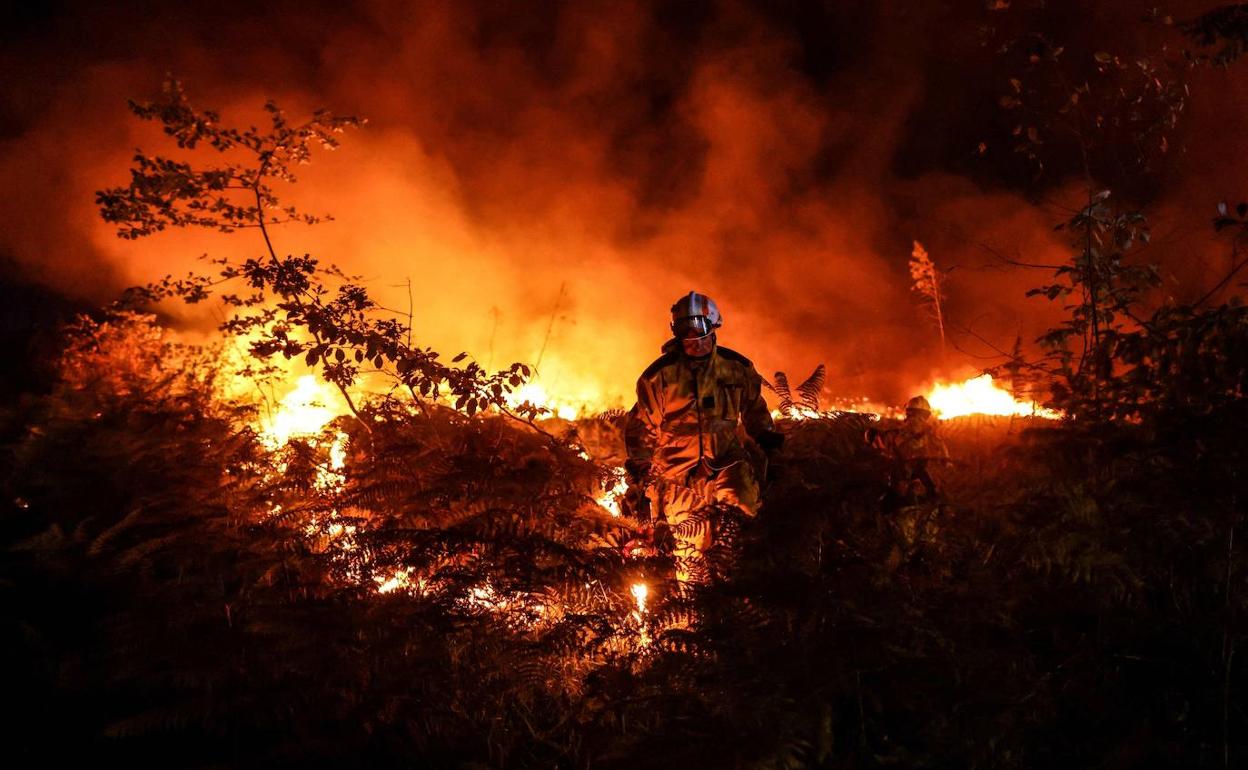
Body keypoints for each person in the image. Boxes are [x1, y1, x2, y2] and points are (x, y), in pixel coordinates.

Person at [623, 291, 784, 585]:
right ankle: (696, 614)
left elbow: (755, 411)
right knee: (691, 552)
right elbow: (641, 429)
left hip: (727, 464)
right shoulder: (659, 377)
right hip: (677, 473)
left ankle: (740, 603)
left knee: (740, 527)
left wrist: (768, 443)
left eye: (698, 326)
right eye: (684, 328)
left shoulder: (737, 369)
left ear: (713, 325)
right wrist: (641, 474)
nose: (692, 335)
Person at [870, 395, 948, 505]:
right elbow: (945, 460)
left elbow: (884, 449)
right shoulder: (933, 433)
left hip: (908, 484)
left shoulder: (898, 431)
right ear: (926, 414)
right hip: (922, 485)